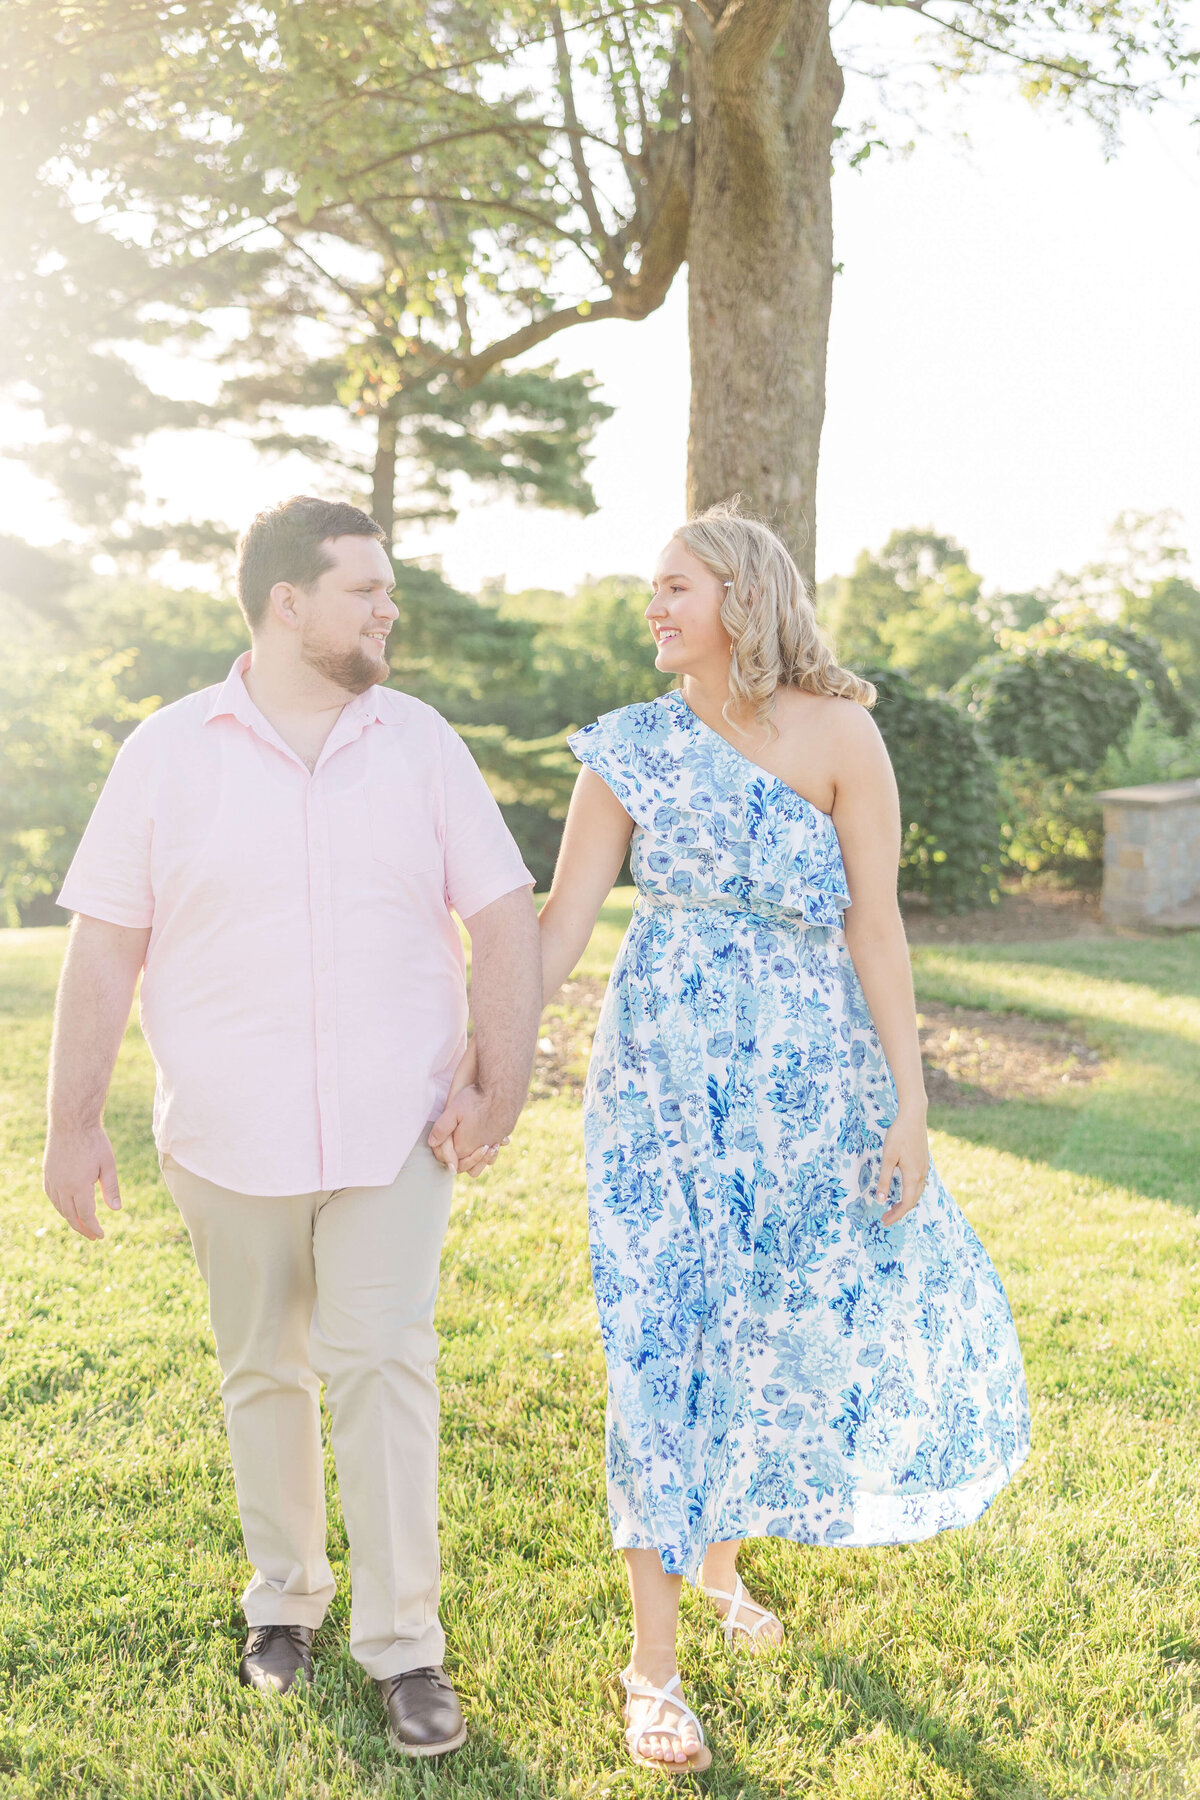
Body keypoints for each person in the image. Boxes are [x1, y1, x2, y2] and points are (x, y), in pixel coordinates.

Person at [435, 500, 1031, 1775]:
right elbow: (559, 929)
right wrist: (486, 1056)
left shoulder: (840, 733)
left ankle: (720, 1569)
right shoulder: (630, 748)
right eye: (649, 590)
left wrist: (911, 1105)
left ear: (743, 600)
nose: (652, 609)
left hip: (813, 1087)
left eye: (675, 589)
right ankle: (651, 1668)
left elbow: (878, 926)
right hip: (657, 1084)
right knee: (661, 1335)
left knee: (775, 1321)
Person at [43, 496, 542, 1758]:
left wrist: (504, 1074)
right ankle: (285, 1600)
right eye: (365, 589)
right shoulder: (165, 752)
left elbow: (502, 916)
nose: (388, 609)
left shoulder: (422, 743)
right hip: (225, 1129)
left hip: (396, 1126)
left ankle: (406, 1646)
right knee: (261, 1368)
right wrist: (72, 1124)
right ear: (286, 604)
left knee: (384, 1365)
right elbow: (106, 946)